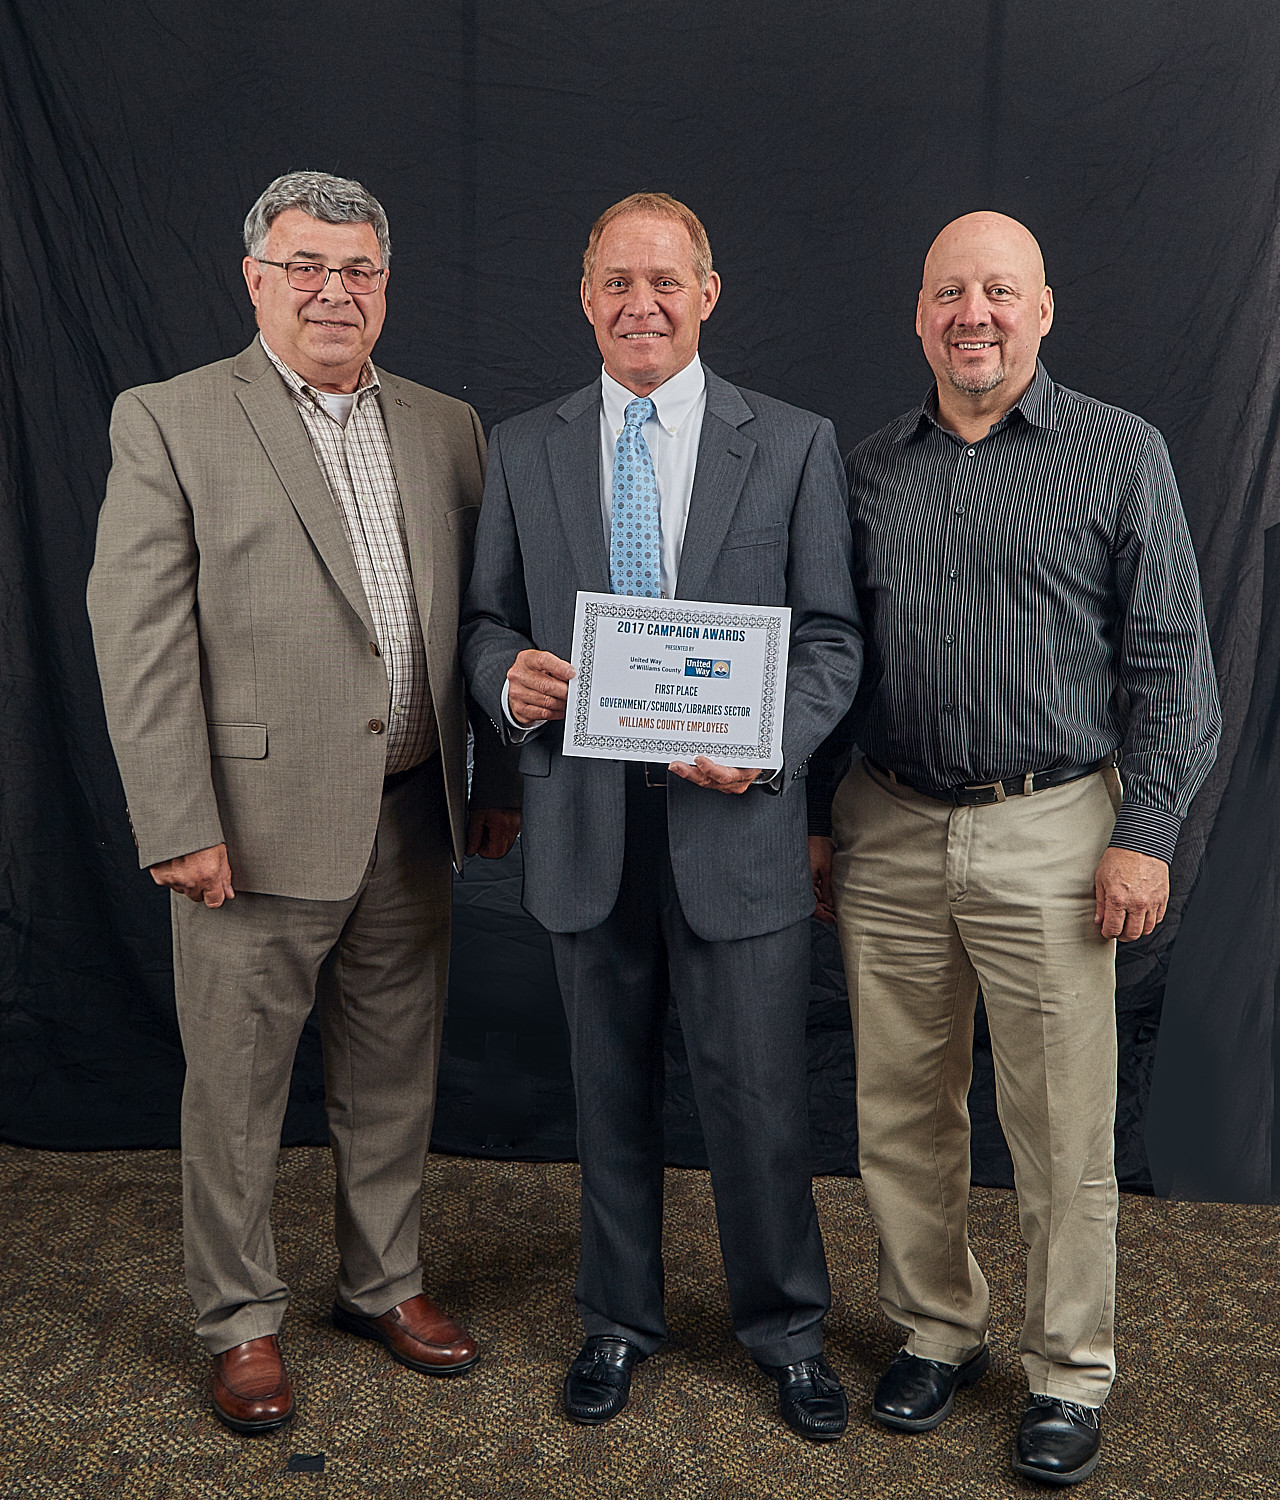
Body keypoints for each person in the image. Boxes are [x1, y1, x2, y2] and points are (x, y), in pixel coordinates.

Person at [86, 170, 520, 1434]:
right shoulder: (168, 419)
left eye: (360, 270)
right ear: (255, 279)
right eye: (305, 265)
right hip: (247, 821)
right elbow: (141, 638)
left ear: (386, 286)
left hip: (410, 809)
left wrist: (481, 782)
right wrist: (176, 820)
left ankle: (381, 1286)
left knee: (393, 1074)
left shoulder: (448, 425)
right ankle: (239, 1321)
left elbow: (479, 625)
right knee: (235, 1088)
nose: (335, 289)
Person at [809, 211, 1220, 1486]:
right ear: (916, 314)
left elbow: (1171, 671)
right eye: (947, 292)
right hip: (884, 822)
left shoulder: (1116, 454)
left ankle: (1065, 1369)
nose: (971, 314)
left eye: (998, 291)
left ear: (1043, 310)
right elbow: (831, 656)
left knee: (1057, 1126)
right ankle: (936, 1332)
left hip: (1055, 826)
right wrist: (826, 817)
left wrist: (1143, 836)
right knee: (898, 1111)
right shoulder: (866, 469)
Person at [460, 193, 863, 1439]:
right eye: (615, 283)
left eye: (664, 281)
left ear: (707, 291)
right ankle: (616, 1321)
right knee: (606, 1091)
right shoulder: (526, 447)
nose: (641, 303)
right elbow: (482, 624)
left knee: (755, 1100)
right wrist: (501, 680)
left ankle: (784, 1330)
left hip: (733, 831)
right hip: (584, 825)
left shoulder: (791, 444)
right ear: (584, 301)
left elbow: (833, 643)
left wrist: (766, 747)